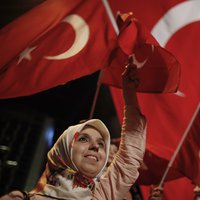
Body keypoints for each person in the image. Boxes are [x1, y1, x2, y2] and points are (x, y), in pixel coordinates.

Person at [0, 63, 146, 200]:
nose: (96, 146)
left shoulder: (102, 195)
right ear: (63, 149)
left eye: (102, 144)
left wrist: (130, 97)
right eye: (83, 139)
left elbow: (130, 157)